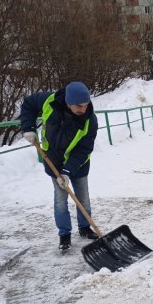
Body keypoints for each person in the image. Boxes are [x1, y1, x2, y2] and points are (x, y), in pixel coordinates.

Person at [20, 81, 99, 251]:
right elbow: (28, 104)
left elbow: (83, 149)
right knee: (61, 200)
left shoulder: (89, 120)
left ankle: (85, 228)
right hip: (53, 161)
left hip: (78, 164)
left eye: (86, 105)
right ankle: (64, 234)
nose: (83, 109)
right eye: (79, 106)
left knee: (82, 198)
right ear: (68, 102)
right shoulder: (50, 101)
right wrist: (28, 127)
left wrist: (67, 172)